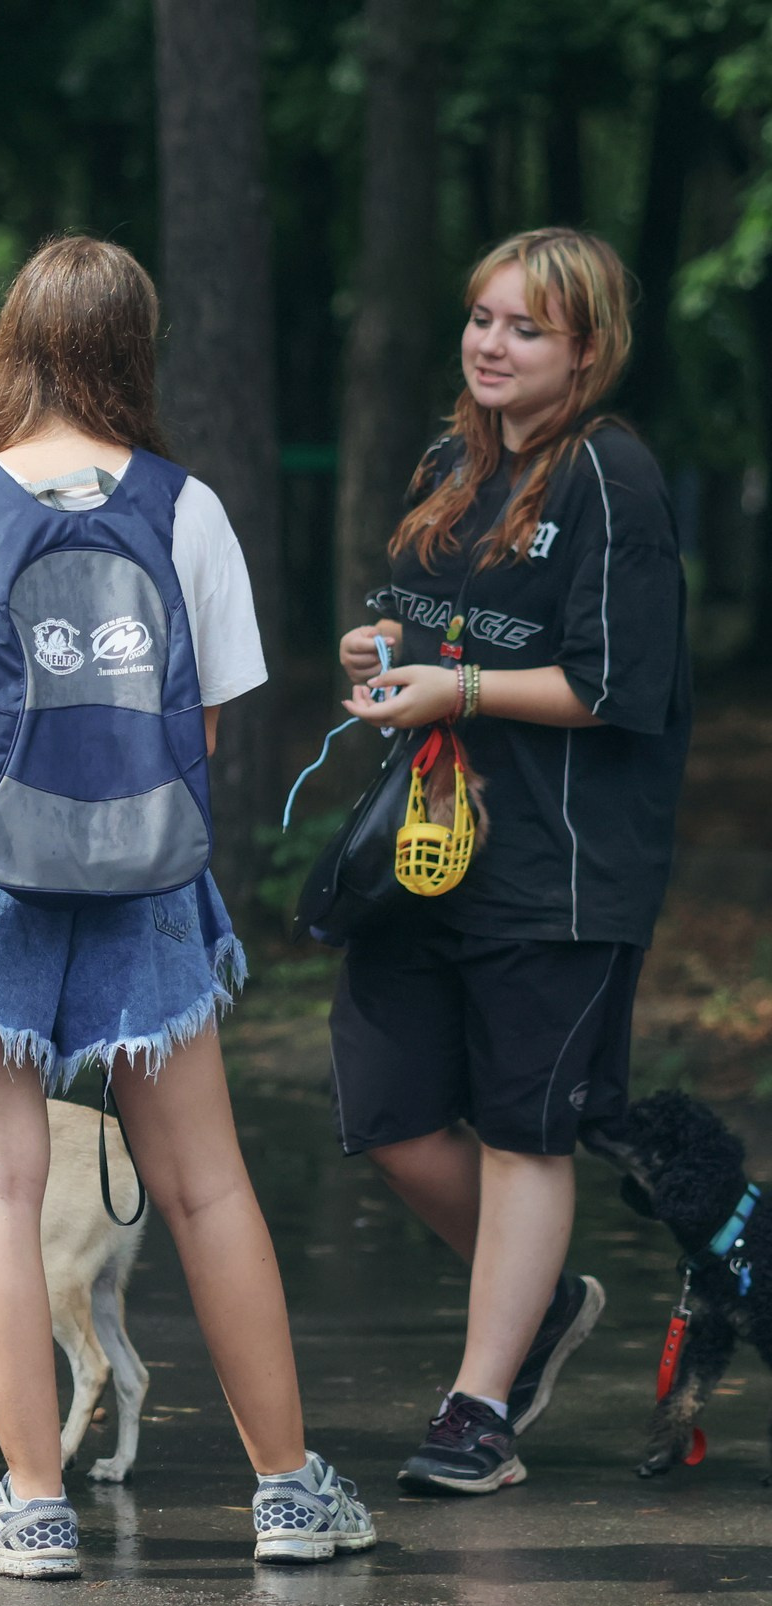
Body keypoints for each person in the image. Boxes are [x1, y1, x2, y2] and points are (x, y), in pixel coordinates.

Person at [0, 235, 372, 1577]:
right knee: (205, 1182)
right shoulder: (187, 508)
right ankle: (289, 1491)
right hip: (146, 874)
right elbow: (199, 721)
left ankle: (31, 1502)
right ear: (142, 349)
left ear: (10, 339)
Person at [333, 227, 686, 1494]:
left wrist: (459, 686)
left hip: (564, 862)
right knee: (384, 1112)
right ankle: (535, 1304)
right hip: (429, 848)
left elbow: (617, 686)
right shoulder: (452, 458)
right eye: (482, 318)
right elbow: (418, 614)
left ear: (584, 350)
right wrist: (380, 649)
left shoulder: (611, 480)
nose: (489, 344)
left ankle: (477, 1409)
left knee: (524, 1131)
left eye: (523, 328)